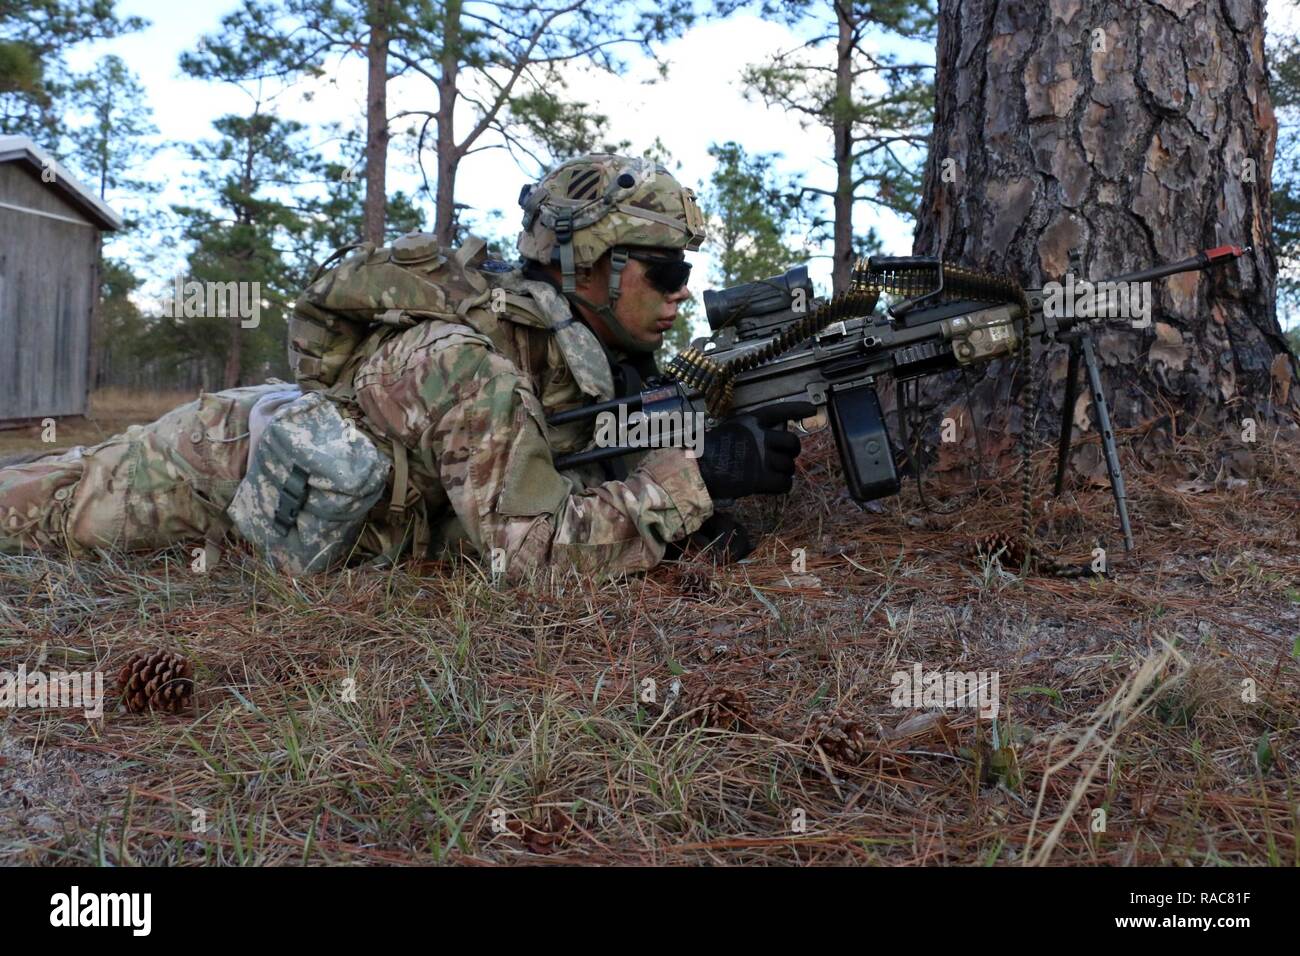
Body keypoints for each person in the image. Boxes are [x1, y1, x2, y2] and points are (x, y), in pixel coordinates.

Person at [0, 153, 808, 577]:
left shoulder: (571, 356)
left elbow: (564, 468)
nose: (679, 297)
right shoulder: (476, 367)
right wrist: (689, 483)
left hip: (275, 450)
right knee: (30, 507)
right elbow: (523, 556)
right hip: (194, 471)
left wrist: (695, 478)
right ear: (588, 269)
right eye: (665, 273)